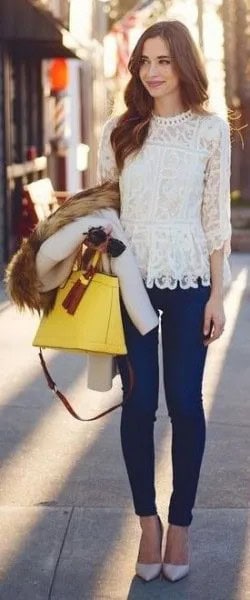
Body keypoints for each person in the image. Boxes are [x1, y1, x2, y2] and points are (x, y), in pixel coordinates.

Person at [97, 20, 231, 582]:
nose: (152, 72)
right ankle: (147, 524)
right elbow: (101, 206)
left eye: (163, 61)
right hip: (129, 279)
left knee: (183, 401)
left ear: (183, 65)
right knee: (138, 402)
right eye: (144, 61)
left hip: (187, 282)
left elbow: (214, 217)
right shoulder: (119, 128)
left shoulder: (210, 130)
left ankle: (180, 526)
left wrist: (217, 293)